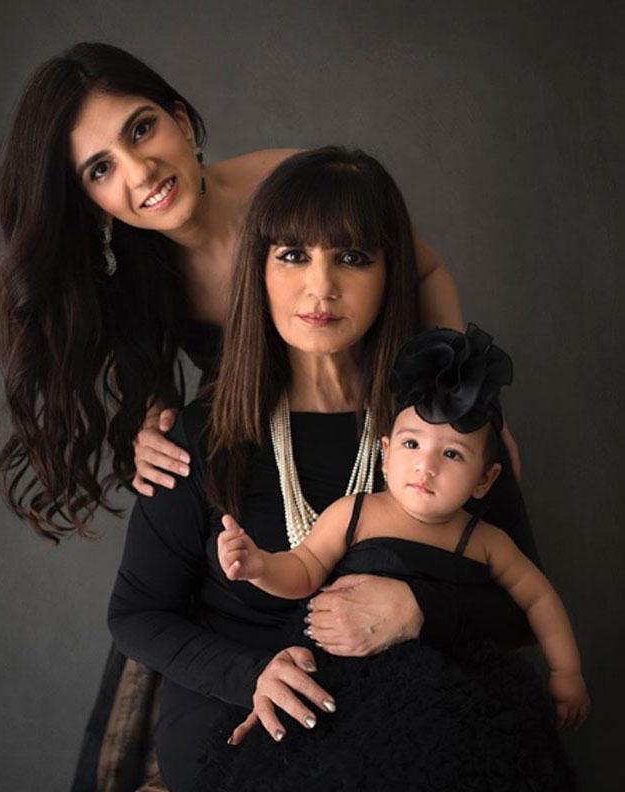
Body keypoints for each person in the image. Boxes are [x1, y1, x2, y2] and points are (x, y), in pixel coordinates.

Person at [0, 44, 469, 790]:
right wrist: (150, 429)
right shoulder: (133, 278)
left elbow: (426, 268)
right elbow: (151, 384)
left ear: (183, 122)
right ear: (87, 199)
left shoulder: (291, 188)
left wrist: (457, 398)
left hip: (371, 419)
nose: (139, 172)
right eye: (100, 169)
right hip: (255, 446)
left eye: (142, 129)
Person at [108, 147, 541, 791]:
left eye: (353, 257)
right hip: (244, 710)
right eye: (292, 256)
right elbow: (136, 614)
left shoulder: (445, 429)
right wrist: (251, 675)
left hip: (409, 715)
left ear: (391, 273)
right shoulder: (201, 437)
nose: (321, 287)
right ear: (259, 271)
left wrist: (419, 609)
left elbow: (523, 608)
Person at [214, 324, 589, 789]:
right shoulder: (355, 512)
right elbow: (304, 570)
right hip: (348, 676)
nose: (425, 466)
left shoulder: (483, 540)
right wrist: (259, 567)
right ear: (386, 452)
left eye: (452, 455)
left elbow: (538, 599)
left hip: (451, 683)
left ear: (485, 480)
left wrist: (566, 671)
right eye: (412, 444)